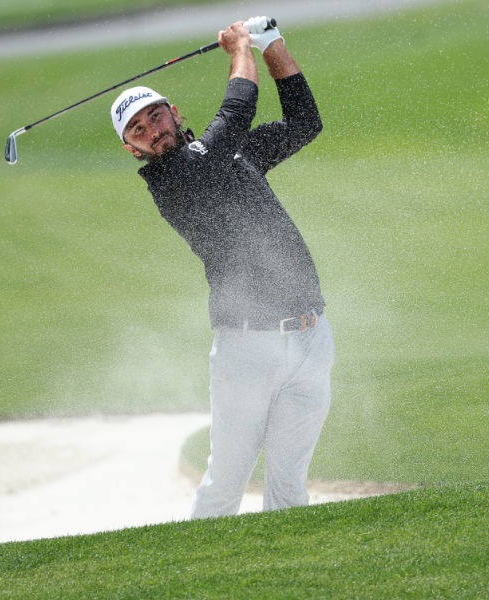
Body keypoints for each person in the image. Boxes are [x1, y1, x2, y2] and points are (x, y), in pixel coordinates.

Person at [109, 17, 333, 519]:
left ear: (173, 112)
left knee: (290, 488)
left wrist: (272, 43)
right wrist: (239, 50)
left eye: (155, 115)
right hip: (246, 349)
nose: (152, 130)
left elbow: (303, 123)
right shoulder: (174, 181)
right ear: (133, 149)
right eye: (138, 130)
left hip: (311, 336)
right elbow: (235, 112)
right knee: (224, 484)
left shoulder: (230, 155)